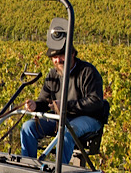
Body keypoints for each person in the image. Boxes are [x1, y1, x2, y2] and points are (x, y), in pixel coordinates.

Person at [20, 21, 109, 162]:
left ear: (72, 54)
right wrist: (35, 105)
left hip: (89, 118)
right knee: (28, 126)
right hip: (61, 118)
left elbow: (96, 102)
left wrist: (66, 106)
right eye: (54, 57)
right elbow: (44, 100)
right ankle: (28, 167)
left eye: (61, 55)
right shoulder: (53, 75)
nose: (57, 60)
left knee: (66, 131)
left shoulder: (88, 72)